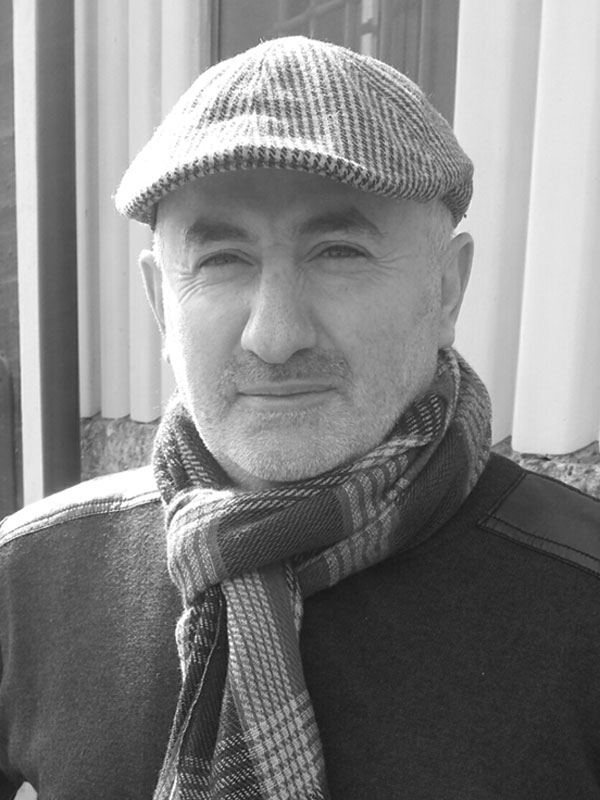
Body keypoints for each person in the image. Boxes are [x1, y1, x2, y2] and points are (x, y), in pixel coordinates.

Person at [1, 36, 599, 800]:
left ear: (447, 291)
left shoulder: (580, 600)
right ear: (160, 304)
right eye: (222, 260)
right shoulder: (28, 581)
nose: (275, 336)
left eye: (338, 251)